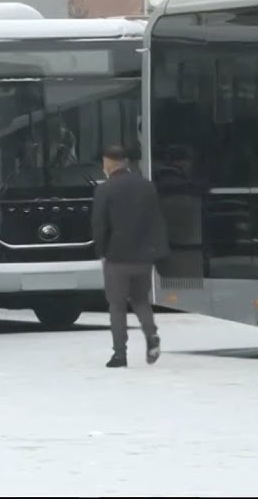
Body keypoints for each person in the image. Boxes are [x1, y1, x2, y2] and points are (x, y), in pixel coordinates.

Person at [92, 144, 170, 368]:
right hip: (144, 257)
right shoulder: (147, 186)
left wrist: (101, 251)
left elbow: (99, 225)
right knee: (141, 300)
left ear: (108, 163)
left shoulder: (105, 189)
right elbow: (156, 220)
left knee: (116, 305)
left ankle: (120, 354)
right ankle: (151, 335)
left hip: (117, 258)